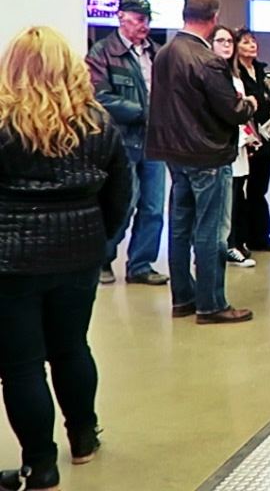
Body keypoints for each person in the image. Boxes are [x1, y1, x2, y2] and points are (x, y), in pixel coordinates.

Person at [0, 27, 132, 491]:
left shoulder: (2, 124)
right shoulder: (96, 123)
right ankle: (83, 437)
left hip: (10, 262)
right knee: (72, 347)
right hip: (79, 253)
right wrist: (101, 239)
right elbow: (121, 192)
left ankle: (40, 464)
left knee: (21, 365)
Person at [146, 0, 257, 325]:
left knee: (179, 227)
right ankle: (211, 303)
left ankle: (184, 297)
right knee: (210, 231)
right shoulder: (207, 60)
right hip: (207, 154)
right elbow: (232, 110)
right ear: (213, 18)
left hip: (174, 152)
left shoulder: (164, 53)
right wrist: (249, 104)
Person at [84, 0, 169, 286]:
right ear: (121, 18)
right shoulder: (103, 52)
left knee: (154, 207)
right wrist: (145, 112)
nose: (144, 25)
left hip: (155, 142)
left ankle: (141, 265)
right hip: (121, 142)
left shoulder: (157, 53)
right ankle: (103, 258)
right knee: (123, 203)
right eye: (138, 19)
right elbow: (99, 97)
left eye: (147, 19)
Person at [233, 28, 270, 252]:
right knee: (239, 190)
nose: (252, 46)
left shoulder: (260, 71)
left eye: (253, 41)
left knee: (258, 189)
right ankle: (239, 238)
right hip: (245, 139)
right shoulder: (235, 75)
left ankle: (260, 236)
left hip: (265, 137)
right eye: (245, 42)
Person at [212, 26, 257, 270]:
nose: (227, 45)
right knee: (223, 198)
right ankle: (224, 245)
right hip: (221, 146)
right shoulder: (212, 75)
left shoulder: (235, 76)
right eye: (221, 41)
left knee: (237, 194)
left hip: (239, 144)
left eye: (229, 40)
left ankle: (234, 241)